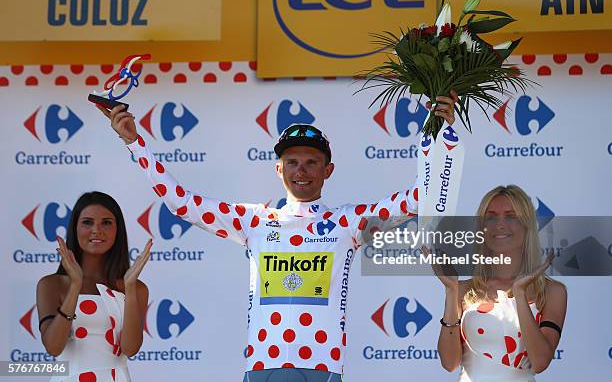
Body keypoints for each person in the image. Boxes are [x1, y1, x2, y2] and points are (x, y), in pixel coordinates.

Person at [96, 93, 457, 381]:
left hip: (322, 366)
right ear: (278, 168)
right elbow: (180, 203)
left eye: (312, 162)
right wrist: (136, 143)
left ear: (328, 170)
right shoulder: (253, 220)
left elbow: (418, 198)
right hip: (261, 367)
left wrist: (437, 134)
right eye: (293, 163)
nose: (302, 171)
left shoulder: (348, 222)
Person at [427, 185, 567, 381]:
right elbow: (449, 363)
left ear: (527, 225)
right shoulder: (463, 289)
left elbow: (540, 362)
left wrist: (519, 294)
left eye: (511, 216)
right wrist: (451, 291)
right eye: (491, 217)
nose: (499, 224)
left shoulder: (553, 291)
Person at [36, 191, 152, 382]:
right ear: (75, 228)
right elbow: (53, 347)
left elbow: (130, 349)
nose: (96, 230)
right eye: (87, 222)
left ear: (118, 230)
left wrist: (129, 289)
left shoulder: (137, 288)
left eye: (106, 222)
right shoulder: (51, 285)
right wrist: (75, 286)